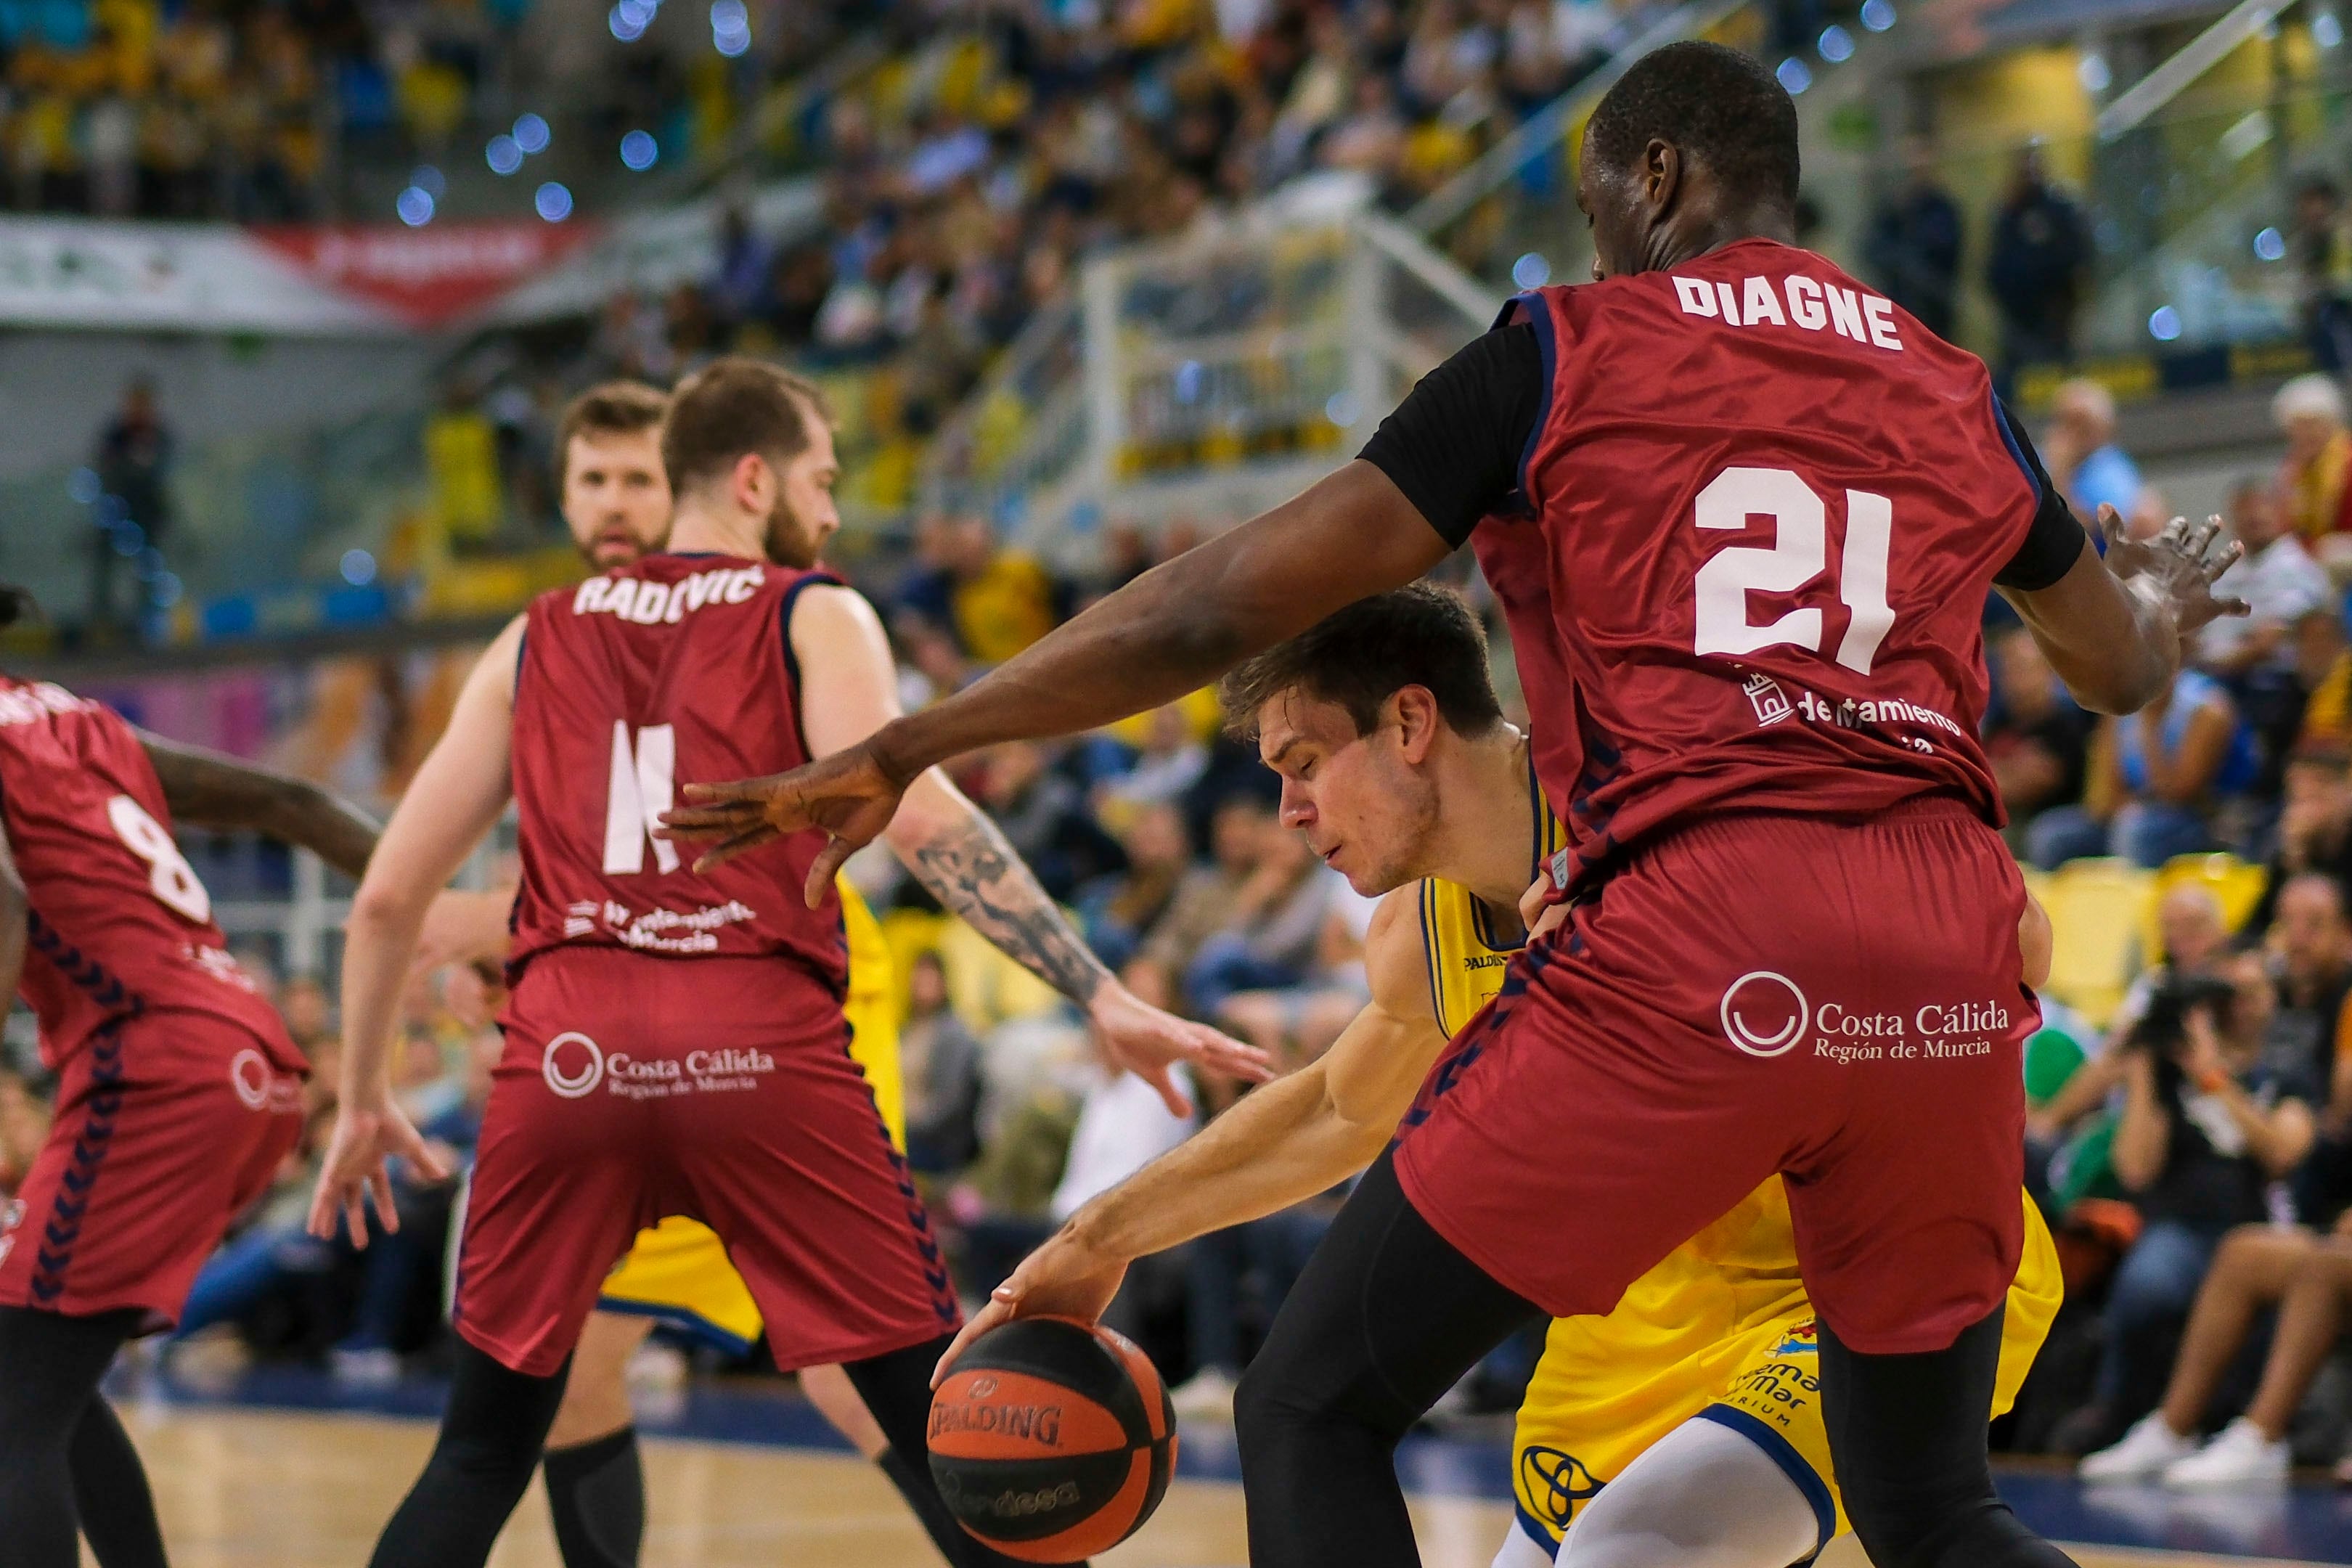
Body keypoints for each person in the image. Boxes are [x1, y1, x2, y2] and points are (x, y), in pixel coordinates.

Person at [669, 44, 2241, 1568]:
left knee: (1307, 1408)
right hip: (1949, 946)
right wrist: (2162, 593)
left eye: (1598, 202)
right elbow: (2112, 665)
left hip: (1715, 920)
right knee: (1939, 1516)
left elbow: (1217, 601)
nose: (1598, 237)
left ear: (1658, 175)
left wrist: (915, 736)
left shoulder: (1571, 345)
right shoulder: (1951, 379)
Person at [311, 357, 1267, 1568]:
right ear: (756, 478)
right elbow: (922, 820)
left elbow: (389, 895)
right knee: (946, 1430)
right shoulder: (810, 609)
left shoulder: (529, 638)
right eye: (821, 480)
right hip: (755, 1052)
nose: (828, 510)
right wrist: (1100, 988)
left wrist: (358, 1098)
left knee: (479, 1453)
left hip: (568, 1062)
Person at [939, 587, 2061, 1568]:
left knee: (1631, 1554)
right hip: (1641, 1329)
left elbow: (2012, 932)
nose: (1289, 811)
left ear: (1412, 723)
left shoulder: (1664, 803)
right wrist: (1098, 1237)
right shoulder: (1416, 933)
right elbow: (1334, 1111)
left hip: (1863, 1269)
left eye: (1304, 764)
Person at [402, 380, 983, 1568]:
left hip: (756, 991)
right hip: (645, 1016)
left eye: (637, 479)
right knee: (581, 1376)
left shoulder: (605, 629)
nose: (616, 502)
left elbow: (438, 896)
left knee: (841, 1375)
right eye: (593, 481)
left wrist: (495, 932)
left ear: (692, 488)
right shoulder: (565, 635)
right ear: (565, 498)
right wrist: (506, 941)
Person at [0, 583, 382, 1568]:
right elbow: (291, 801)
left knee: (15, 1412)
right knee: (51, 1386)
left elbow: (2, 905)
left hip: (155, 1065)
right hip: (245, 1057)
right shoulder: (74, 720)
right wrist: (440, 928)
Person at [2075, 969, 2318, 1466]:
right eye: (2230, 994)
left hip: (2258, 1226)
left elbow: (2282, 1153)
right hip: (2180, 1227)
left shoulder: (2286, 1073)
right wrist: (2143, 1069)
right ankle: (2121, 1413)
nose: (2243, 1004)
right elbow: (2135, 1171)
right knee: (2146, 1283)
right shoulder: (2169, 1075)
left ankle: (2232, 1428)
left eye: (2255, 991)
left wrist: (2213, 1078)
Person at [1986, 144, 2090, 397]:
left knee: (2059, 375)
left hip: (2055, 311)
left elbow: (2074, 255)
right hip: (2019, 314)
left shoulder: (2058, 209)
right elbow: (1996, 265)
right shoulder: (2008, 214)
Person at [2200, 478, 2330, 676]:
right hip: (2222, 677)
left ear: (2278, 514)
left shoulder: (2300, 567)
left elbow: (2275, 637)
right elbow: (2211, 643)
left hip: (2281, 682)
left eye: (2260, 507)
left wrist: (2248, 650)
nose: (2253, 517)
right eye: (2243, 511)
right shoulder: (2224, 576)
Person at [1863, 136, 1962, 340]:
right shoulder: (1893, 209)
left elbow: (1946, 249)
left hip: (1934, 308)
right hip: (1897, 310)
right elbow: (1872, 248)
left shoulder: (1943, 208)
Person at [2040, 380, 2143, 526]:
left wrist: (2060, 476)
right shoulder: (2035, 460)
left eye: (2081, 424)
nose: (2073, 434)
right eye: (2064, 421)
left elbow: (2094, 532)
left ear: (2104, 429)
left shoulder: (2109, 468)